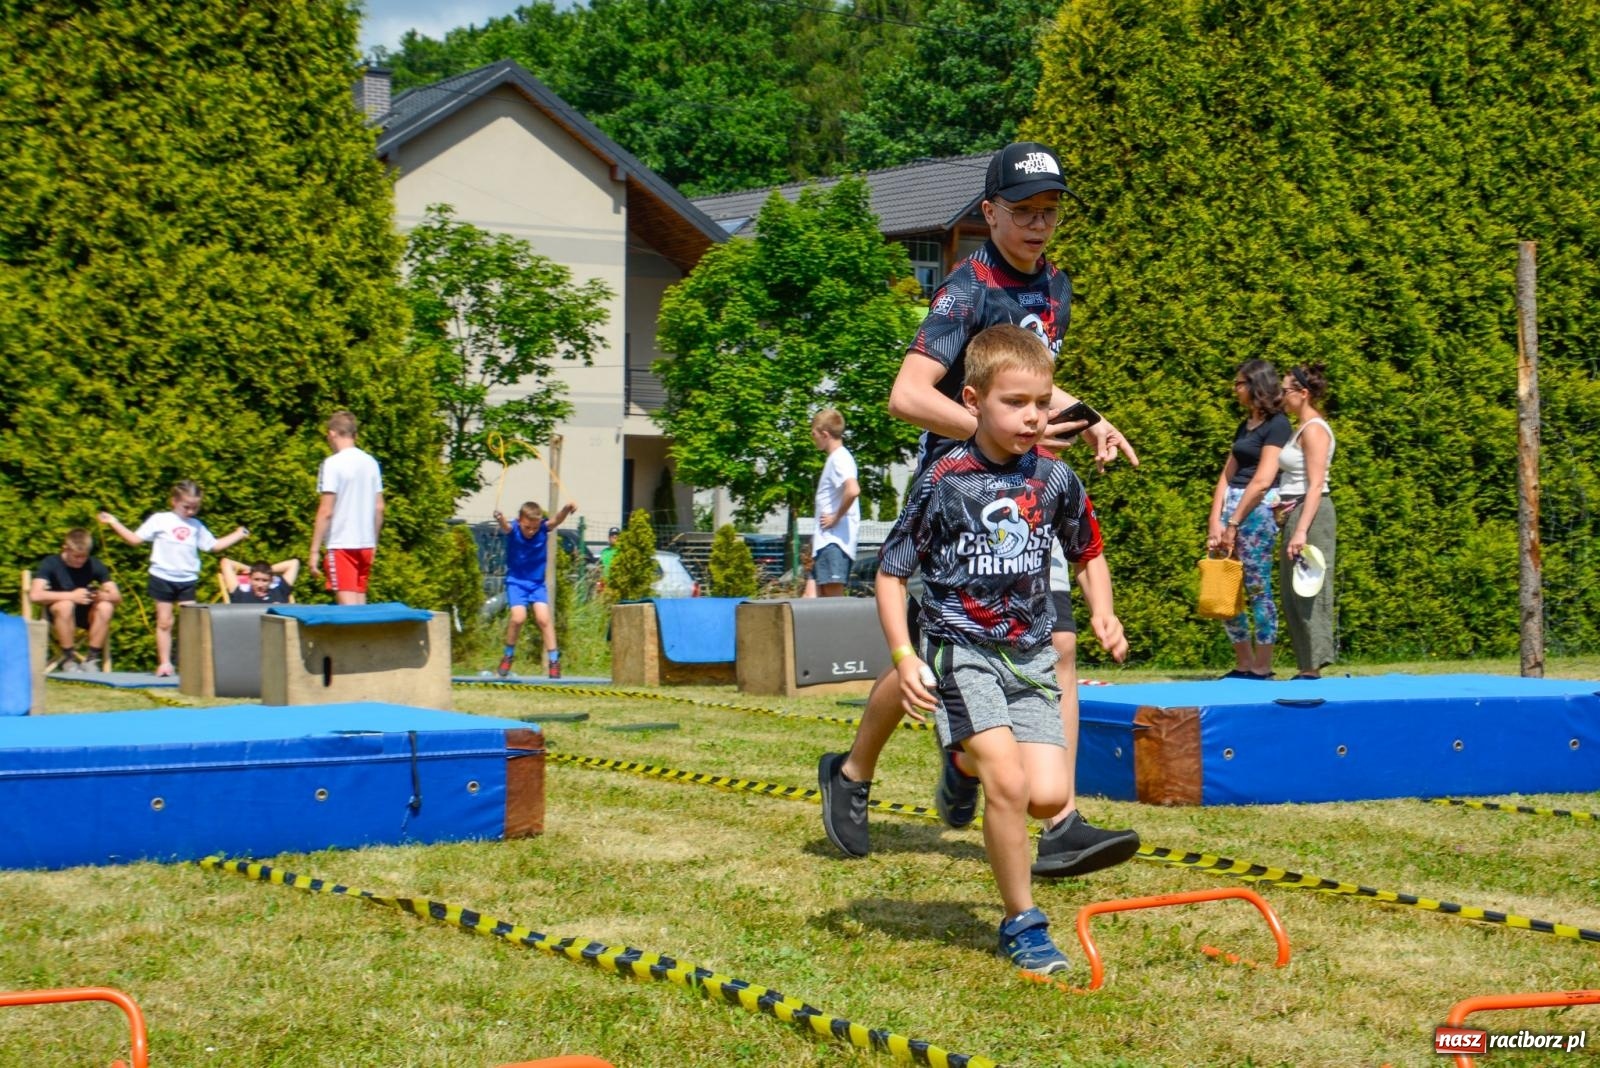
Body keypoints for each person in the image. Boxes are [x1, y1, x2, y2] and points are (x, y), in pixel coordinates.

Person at [818, 141, 1140, 873]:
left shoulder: (1054, 287)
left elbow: (1029, 378)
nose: (1037, 225)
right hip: (956, 496)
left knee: (1053, 645)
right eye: (1023, 212)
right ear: (989, 212)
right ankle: (852, 772)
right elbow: (907, 395)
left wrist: (1092, 418)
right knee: (931, 668)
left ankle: (1058, 820)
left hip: (1023, 494)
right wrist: (992, 432)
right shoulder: (966, 289)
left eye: (1050, 212)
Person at [874, 324, 1128, 975]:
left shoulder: (1054, 480)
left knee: (1048, 796)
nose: (1033, 416)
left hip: (1030, 659)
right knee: (1010, 785)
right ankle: (1023, 921)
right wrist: (906, 657)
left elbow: (1088, 553)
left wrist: (1103, 611)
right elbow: (891, 570)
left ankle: (962, 764)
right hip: (961, 651)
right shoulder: (944, 480)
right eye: (1015, 403)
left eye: (1041, 402)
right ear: (973, 400)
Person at [100, 481, 249, 676]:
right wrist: (114, 522)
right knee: (164, 622)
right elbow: (135, 539)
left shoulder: (196, 526)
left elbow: (214, 546)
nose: (190, 511)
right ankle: (165, 663)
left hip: (187, 579)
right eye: (186, 507)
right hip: (162, 576)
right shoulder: (160, 520)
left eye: (195, 507)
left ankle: (188, 663)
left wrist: (238, 534)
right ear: (174, 501)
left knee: (190, 621)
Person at [1207, 360, 1292, 679]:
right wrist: (1215, 520)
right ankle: (1243, 662)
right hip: (1231, 508)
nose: (1235, 389)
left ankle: (1263, 665)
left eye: (1239, 383)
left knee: (1257, 587)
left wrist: (1234, 523)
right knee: (1225, 585)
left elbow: (1262, 479)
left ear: (1256, 385)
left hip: (1255, 512)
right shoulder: (1246, 425)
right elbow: (1226, 475)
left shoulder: (1278, 424)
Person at [1277, 363, 1336, 679]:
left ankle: (1313, 666)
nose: (1282, 396)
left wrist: (1301, 530)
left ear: (1303, 393)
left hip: (1311, 516)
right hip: (1297, 513)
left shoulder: (1314, 429)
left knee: (1308, 589)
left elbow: (1315, 484)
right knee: (1291, 592)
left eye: (1286, 391)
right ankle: (1306, 666)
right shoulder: (1300, 427)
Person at [308, 410, 384, 605]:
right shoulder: (371, 463)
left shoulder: (332, 464)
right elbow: (379, 508)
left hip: (342, 543)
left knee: (349, 612)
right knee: (360, 605)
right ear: (354, 434)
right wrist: (373, 543)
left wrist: (314, 551)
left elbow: (326, 511)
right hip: (365, 543)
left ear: (332, 433)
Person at [495, 500, 577, 679]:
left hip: (537, 584)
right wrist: (500, 518)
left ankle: (554, 661)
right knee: (518, 618)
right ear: (520, 520)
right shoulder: (514, 529)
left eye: (534, 527)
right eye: (527, 527)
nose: (531, 531)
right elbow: (505, 526)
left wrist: (566, 508)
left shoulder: (542, 528)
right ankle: (508, 655)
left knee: (544, 619)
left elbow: (556, 520)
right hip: (516, 582)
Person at [30, 528, 121, 673]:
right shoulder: (51, 563)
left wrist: (103, 596)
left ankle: (91, 659)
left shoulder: (94, 564)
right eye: (76, 556)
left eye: (84, 556)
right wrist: (71, 596)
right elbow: (35, 595)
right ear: (65, 548)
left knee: (106, 607)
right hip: (59, 616)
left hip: (86, 615)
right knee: (65, 605)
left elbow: (117, 596)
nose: (80, 560)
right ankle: (68, 659)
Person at [810, 408, 861, 597]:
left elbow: (853, 489)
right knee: (810, 600)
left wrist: (834, 518)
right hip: (826, 543)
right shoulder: (835, 458)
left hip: (835, 542)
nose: (812, 438)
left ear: (825, 434)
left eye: (813, 434)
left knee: (831, 606)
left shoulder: (840, 457)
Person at [221, 557, 300, 604]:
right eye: (256, 579)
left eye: (265, 580)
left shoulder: (279, 591)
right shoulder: (240, 595)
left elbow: (294, 563)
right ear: (250, 579)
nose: (260, 585)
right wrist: (251, 569)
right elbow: (226, 562)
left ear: (271, 581)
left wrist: (267, 570)